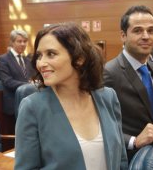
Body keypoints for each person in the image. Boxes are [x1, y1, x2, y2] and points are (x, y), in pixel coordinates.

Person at [15, 22, 128, 170]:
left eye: (51, 54)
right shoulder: (32, 107)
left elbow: (121, 160)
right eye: (39, 56)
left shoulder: (108, 97)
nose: (41, 63)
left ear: (79, 58)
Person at [104, 5, 153, 162]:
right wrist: (134, 141)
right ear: (123, 35)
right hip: (127, 160)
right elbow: (99, 124)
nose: (146, 36)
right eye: (138, 30)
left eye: (151, 31)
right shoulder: (109, 72)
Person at [0, 29, 36, 115]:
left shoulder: (27, 60)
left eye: (25, 41)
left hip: (30, 102)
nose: (23, 44)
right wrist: (29, 85)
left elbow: (33, 77)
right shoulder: (3, 59)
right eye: (19, 41)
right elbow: (8, 82)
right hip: (14, 103)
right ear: (12, 42)